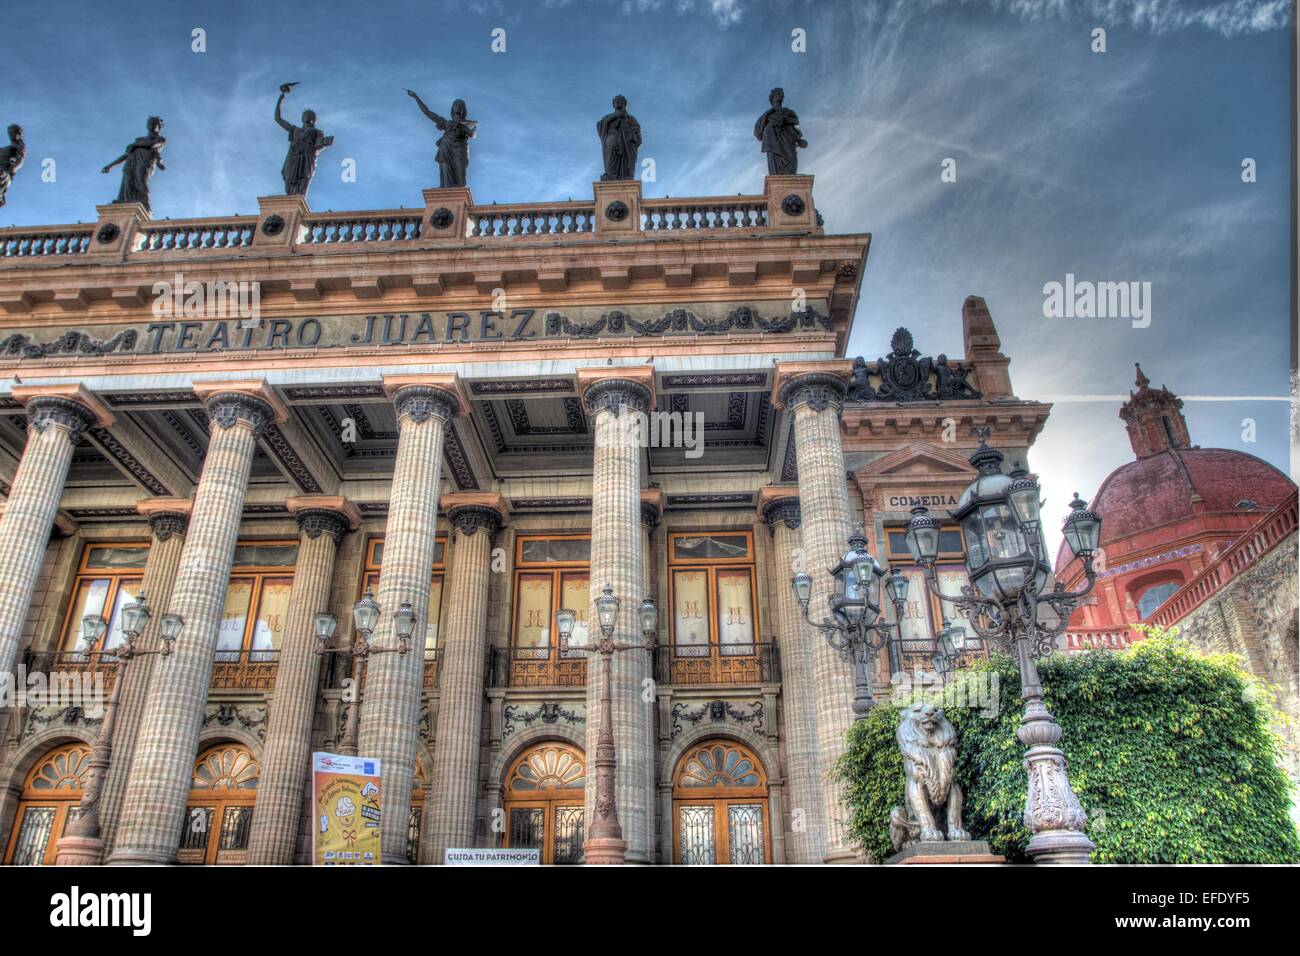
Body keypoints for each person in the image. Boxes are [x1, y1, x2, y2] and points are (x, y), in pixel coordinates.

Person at [406, 90, 475, 188]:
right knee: (446, 173)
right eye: (455, 104)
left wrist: (463, 126)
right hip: (446, 147)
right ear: (452, 108)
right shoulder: (446, 123)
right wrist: (416, 97)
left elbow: (473, 135)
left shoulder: (468, 123)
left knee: (461, 180)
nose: (457, 106)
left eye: (459, 105)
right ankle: (446, 193)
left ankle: (459, 198)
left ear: (463, 109)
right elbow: (428, 113)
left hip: (460, 148)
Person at [275, 84, 334, 197]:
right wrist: (280, 100)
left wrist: (325, 142)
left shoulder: (317, 132)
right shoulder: (295, 130)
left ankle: (298, 204)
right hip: (293, 157)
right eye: (306, 115)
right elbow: (278, 119)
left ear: (314, 120)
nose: (308, 117)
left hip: (307, 157)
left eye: (311, 116)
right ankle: (289, 203)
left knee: (303, 180)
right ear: (302, 118)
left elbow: (318, 145)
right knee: (289, 180)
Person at [101, 116, 166, 213]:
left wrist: (134, 145)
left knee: (141, 181)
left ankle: (146, 205)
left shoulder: (161, 139)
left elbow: (152, 145)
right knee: (128, 182)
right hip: (132, 162)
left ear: (160, 127)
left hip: (145, 161)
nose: (151, 125)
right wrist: (111, 166)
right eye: (150, 122)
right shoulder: (139, 139)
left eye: (155, 123)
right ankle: (124, 201)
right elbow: (126, 155)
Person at [753, 87, 807, 174]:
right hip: (771, 138)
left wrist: (785, 119)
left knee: (791, 158)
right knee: (776, 163)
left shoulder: (787, 111)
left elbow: (796, 121)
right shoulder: (768, 113)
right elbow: (757, 131)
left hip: (788, 138)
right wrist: (768, 117)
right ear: (773, 97)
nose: (781, 94)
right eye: (778, 93)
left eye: (782, 93)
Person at [596, 94, 642, 181]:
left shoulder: (630, 118)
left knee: (625, 167)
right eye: (616, 101)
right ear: (613, 104)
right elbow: (600, 125)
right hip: (611, 141)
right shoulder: (607, 117)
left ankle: (626, 175)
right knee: (611, 155)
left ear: (625, 104)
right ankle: (611, 175)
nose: (618, 102)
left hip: (626, 145)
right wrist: (615, 116)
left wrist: (632, 135)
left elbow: (637, 134)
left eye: (620, 100)